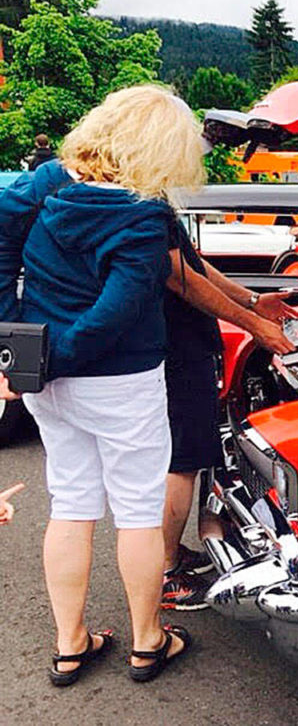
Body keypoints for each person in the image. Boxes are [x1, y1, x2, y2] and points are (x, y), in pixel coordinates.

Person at [0, 84, 203, 685]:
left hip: (43, 379)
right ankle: (148, 641)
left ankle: (71, 644)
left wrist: (18, 352)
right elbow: (113, 316)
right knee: (138, 512)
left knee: (69, 503)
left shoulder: (48, 185)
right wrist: (51, 357)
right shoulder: (143, 218)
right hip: (120, 381)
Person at [159, 217, 298, 609]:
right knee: (181, 460)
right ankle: (166, 573)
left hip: (181, 347)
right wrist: (254, 322)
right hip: (177, 350)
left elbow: (192, 263)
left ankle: (167, 554)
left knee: (184, 455)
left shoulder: (147, 201)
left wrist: (253, 301)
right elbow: (181, 276)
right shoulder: (144, 203)